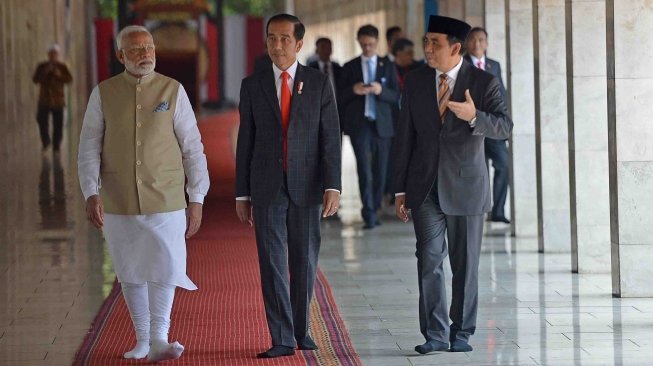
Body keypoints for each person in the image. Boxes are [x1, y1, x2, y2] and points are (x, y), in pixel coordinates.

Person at [78, 25, 209, 362]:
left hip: (166, 197)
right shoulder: (103, 93)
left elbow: (193, 148)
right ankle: (142, 339)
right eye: (135, 49)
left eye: (149, 47)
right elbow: (89, 146)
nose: (145, 54)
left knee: (166, 266)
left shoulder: (172, 90)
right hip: (118, 199)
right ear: (121, 56)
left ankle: (160, 338)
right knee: (130, 269)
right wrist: (91, 192)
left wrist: (196, 198)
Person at [392, 15, 512, 354]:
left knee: (465, 265)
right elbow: (404, 137)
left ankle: (462, 331)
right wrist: (400, 190)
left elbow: (505, 126)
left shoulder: (485, 81)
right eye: (426, 42)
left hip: (467, 189)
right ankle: (435, 333)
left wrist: (474, 117)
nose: (427, 48)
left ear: (456, 48)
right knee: (428, 260)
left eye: (435, 43)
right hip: (425, 187)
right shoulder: (415, 81)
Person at [235, 13, 341, 359]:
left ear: (298, 44)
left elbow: (330, 138)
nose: (276, 45)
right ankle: (281, 336)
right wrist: (242, 193)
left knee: (305, 260)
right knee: (272, 262)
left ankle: (301, 330)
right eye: (271, 38)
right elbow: (245, 141)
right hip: (266, 186)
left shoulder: (318, 83)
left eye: (284, 39)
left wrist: (333, 186)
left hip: (308, 185)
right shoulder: (252, 85)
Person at [339, 24, 399, 229]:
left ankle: (375, 206)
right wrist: (354, 90)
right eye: (363, 45)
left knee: (381, 170)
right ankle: (369, 213)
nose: (367, 48)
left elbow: (396, 95)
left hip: (382, 126)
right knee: (364, 170)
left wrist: (381, 90)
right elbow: (339, 96)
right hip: (360, 125)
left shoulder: (387, 65)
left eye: (371, 45)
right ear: (358, 42)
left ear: (377, 42)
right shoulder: (349, 66)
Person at [464, 27, 510, 223]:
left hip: (492, 126)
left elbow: (502, 94)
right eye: (473, 40)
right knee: (477, 170)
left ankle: (498, 211)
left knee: (504, 165)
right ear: (467, 43)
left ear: (487, 43)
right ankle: (477, 209)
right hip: (471, 128)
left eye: (481, 40)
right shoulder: (462, 65)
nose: (477, 44)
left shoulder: (494, 65)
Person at [32, 44, 72, 153]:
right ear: (48, 55)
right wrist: (45, 71)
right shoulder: (42, 66)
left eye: (55, 54)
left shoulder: (62, 67)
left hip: (58, 100)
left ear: (57, 55)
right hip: (44, 100)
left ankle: (56, 146)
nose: (53, 56)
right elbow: (35, 79)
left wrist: (59, 75)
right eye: (51, 54)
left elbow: (69, 79)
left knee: (58, 124)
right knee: (41, 120)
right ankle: (45, 141)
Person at [308, 37, 342, 129]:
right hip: (316, 113)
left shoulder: (338, 68)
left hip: (337, 112)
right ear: (317, 50)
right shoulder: (309, 69)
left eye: (329, 47)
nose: (326, 50)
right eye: (323, 47)